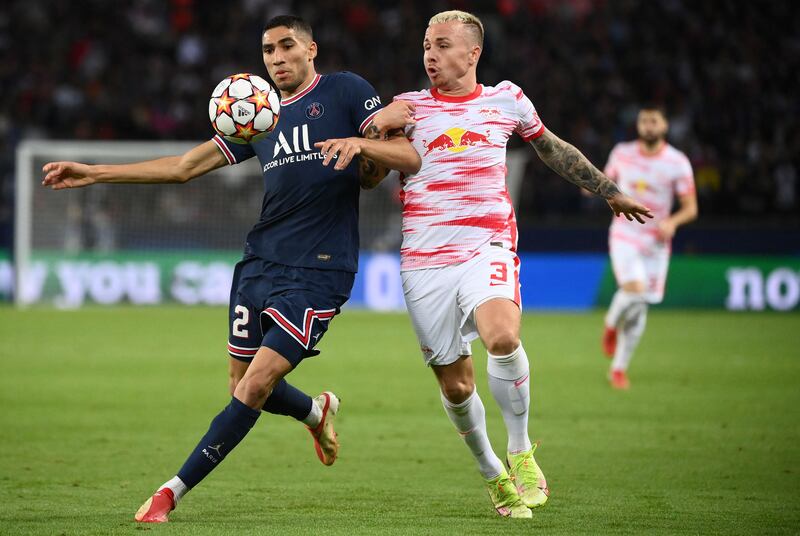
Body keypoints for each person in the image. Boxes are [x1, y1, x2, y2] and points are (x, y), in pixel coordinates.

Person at [41, 15, 420, 523]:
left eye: (287, 47)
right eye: (268, 51)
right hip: (259, 263)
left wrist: (363, 144)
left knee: (256, 384)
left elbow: (404, 155)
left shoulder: (346, 91)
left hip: (320, 269)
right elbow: (182, 168)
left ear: (312, 48)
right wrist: (94, 173)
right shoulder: (256, 116)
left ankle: (169, 492)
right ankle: (315, 411)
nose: (277, 58)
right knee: (241, 385)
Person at [370, 10, 651, 518]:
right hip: (425, 261)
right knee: (456, 385)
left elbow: (550, 147)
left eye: (441, 45)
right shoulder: (408, 108)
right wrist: (373, 130)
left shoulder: (507, 99)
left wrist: (608, 192)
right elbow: (369, 176)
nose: (429, 55)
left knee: (502, 336)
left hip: (488, 244)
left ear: (473, 53)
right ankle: (491, 472)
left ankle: (520, 450)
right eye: (425, 45)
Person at [601, 107, 698, 389]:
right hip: (625, 233)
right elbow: (605, 183)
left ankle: (618, 369)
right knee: (635, 290)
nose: (648, 125)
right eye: (644, 120)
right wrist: (590, 186)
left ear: (665, 125)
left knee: (641, 305)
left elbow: (691, 208)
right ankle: (610, 325)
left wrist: (673, 223)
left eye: (654, 120)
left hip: (657, 241)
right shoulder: (622, 152)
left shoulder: (677, 162)